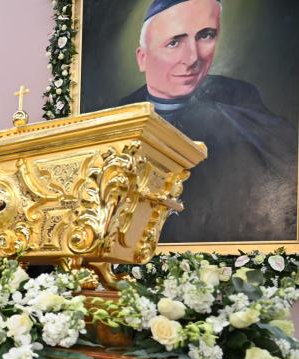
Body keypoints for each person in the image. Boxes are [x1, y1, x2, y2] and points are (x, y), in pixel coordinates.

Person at [120, 0, 297, 243]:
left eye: (205, 35)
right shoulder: (120, 115)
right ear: (142, 58)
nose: (192, 58)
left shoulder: (239, 98)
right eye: (174, 42)